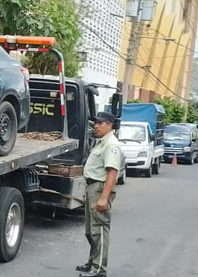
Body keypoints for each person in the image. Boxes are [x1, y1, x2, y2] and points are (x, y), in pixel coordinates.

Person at [75, 112, 124, 277]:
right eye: (95, 123)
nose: (95, 126)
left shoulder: (111, 145)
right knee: (91, 231)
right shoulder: (102, 142)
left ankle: (99, 270)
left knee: (99, 230)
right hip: (92, 188)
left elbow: (112, 173)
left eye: (100, 123)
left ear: (109, 125)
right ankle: (92, 263)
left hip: (99, 189)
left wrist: (104, 198)